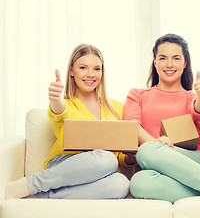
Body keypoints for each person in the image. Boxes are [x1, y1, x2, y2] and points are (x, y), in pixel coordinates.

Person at [123, 33, 200, 203]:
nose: (169, 64)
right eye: (163, 58)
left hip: (197, 161)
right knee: (138, 183)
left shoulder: (191, 97)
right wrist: (157, 143)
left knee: (147, 150)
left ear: (184, 63)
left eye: (176, 58)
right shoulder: (137, 95)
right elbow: (132, 125)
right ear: (155, 62)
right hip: (156, 165)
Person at [5, 43, 133, 199]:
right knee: (107, 158)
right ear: (72, 71)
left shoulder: (116, 107)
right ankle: (32, 184)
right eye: (83, 68)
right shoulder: (67, 104)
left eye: (97, 69)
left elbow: (119, 155)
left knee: (121, 183)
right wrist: (55, 99)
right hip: (64, 164)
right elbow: (58, 111)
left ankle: (43, 196)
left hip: (99, 172)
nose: (90, 74)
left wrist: (130, 156)